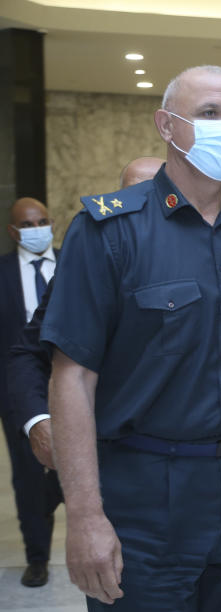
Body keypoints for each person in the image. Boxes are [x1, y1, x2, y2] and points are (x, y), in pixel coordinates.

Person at [40, 66, 221, 612]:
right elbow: (73, 377)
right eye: (210, 113)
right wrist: (84, 515)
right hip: (147, 498)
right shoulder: (108, 230)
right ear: (167, 125)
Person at [7, 157, 164, 472]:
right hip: (121, 455)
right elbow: (27, 353)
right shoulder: (88, 269)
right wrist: (38, 420)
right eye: (134, 196)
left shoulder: (215, 262)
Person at [0, 197, 63, 587]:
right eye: (27, 224)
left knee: (73, 467)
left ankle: (55, 494)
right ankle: (37, 557)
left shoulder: (75, 263)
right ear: (13, 231)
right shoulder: (3, 272)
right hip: (20, 392)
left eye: (42, 221)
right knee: (27, 476)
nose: (36, 228)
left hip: (73, 386)